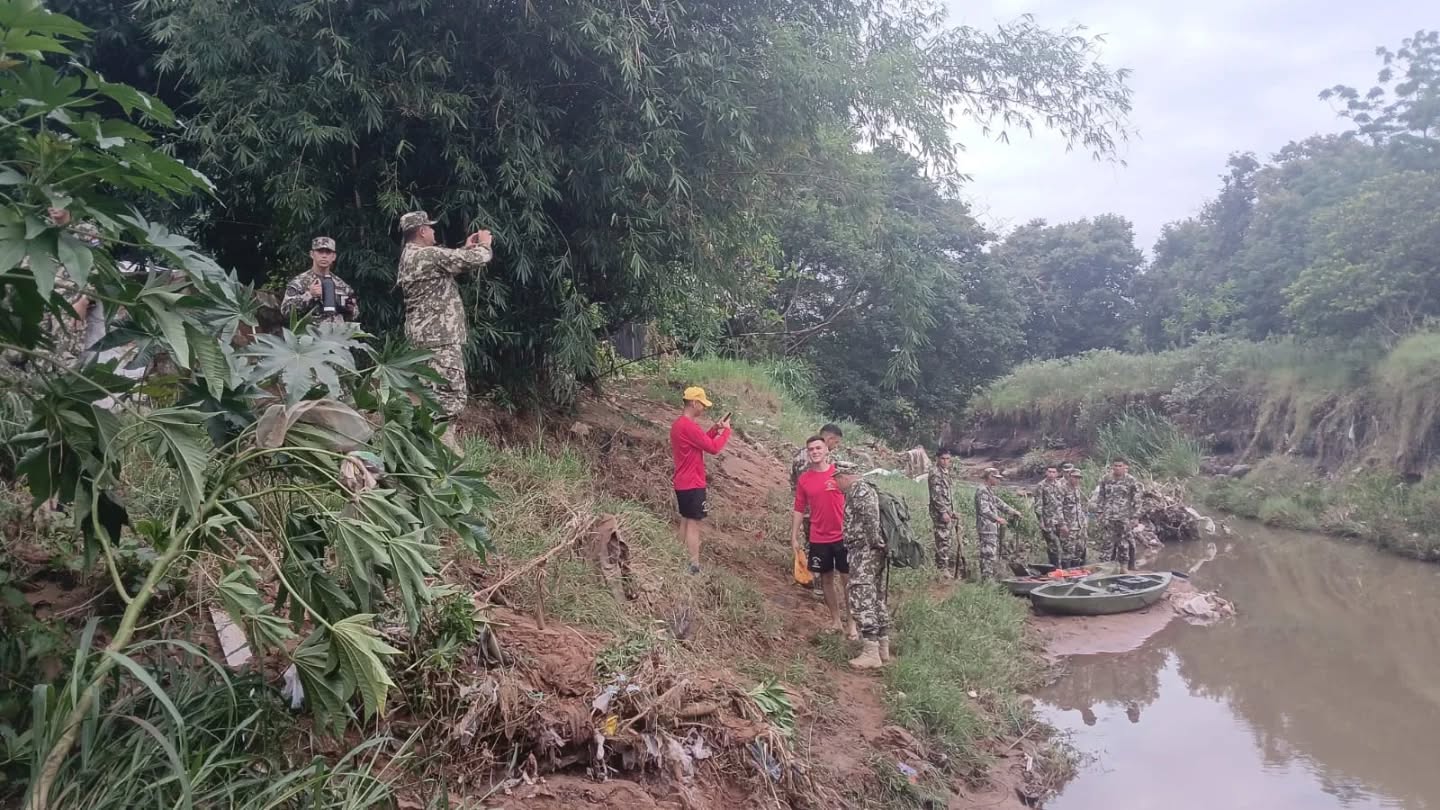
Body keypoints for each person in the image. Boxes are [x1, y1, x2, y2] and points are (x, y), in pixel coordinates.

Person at [395, 210, 494, 453]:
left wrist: (464, 247)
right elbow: (474, 260)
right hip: (439, 340)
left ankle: (421, 448)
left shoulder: (411, 256)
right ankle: (444, 450)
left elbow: (451, 259)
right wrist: (484, 245)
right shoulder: (427, 255)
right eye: (430, 228)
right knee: (450, 394)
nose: (433, 231)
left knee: (428, 393)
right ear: (421, 231)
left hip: (424, 340)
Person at [791, 436, 855, 638]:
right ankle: (836, 621)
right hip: (819, 537)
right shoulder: (804, 479)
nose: (815, 452)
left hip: (843, 536)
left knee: (848, 580)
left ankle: (852, 624)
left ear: (827, 450)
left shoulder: (839, 474)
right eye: (811, 449)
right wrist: (793, 535)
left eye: (818, 448)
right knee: (826, 580)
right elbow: (799, 508)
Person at [670, 386, 731, 574]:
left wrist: (714, 429)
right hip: (693, 483)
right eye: (702, 404)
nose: (703, 408)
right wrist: (726, 432)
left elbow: (701, 442)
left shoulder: (679, 425)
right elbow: (712, 448)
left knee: (686, 520)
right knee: (694, 524)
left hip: (682, 482)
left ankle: (676, 558)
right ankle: (693, 565)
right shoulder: (688, 426)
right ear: (694, 403)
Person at [837, 470, 890, 669]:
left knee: (861, 595)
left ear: (844, 476)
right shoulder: (863, 489)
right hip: (869, 551)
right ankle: (882, 646)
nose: (836, 483)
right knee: (876, 597)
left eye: (837, 479)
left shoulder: (860, 491)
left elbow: (870, 518)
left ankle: (871, 652)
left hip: (865, 551)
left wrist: (874, 542)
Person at [791, 424, 844, 597]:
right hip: (813, 511)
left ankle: (815, 578)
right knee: (815, 546)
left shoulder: (799, 455)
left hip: (818, 513)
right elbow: (802, 493)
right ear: (829, 441)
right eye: (835, 443)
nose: (835, 447)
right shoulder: (814, 465)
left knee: (814, 547)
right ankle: (817, 582)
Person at [281, 236, 358, 324]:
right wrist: (309, 295)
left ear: (334, 257)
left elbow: (354, 314)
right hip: (311, 335)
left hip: (337, 335)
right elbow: (285, 311)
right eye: (320, 252)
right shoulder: (299, 282)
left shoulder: (342, 285)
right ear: (312, 254)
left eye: (328, 252)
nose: (324, 256)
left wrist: (350, 309)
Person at [974, 467, 1020, 581]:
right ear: (990, 477)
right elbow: (984, 510)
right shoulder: (982, 490)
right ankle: (987, 580)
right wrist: (997, 519)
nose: (998, 481)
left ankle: (989, 577)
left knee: (991, 553)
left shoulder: (989, 490)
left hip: (991, 527)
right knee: (988, 553)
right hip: (986, 527)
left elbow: (999, 503)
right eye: (996, 478)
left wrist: (1012, 511)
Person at [1096, 459, 1142, 569]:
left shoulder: (1130, 480)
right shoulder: (1106, 479)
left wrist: (1136, 517)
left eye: (1120, 466)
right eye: (1115, 466)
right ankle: (1105, 567)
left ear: (1124, 467)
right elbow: (1101, 496)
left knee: (1124, 543)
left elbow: (1137, 499)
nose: (1117, 468)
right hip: (1109, 517)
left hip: (1123, 517)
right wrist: (1100, 512)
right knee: (1107, 542)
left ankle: (1124, 567)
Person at [928, 446, 963, 578]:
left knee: (946, 540)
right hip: (939, 513)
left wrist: (952, 511)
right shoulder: (935, 473)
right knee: (942, 539)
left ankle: (944, 567)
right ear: (937, 459)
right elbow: (936, 495)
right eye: (942, 459)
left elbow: (947, 494)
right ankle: (942, 569)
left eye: (948, 459)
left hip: (947, 511)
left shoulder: (946, 472)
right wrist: (943, 512)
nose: (945, 461)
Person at [1035, 465, 1067, 568]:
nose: (1051, 474)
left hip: (1059, 520)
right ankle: (1055, 567)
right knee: (1054, 545)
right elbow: (1038, 505)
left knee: (1062, 544)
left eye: (1054, 472)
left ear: (1057, 474)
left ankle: (1059, 566)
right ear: (1046, 473)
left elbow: (1063, 503)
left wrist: (1064, 521)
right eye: (1049, 472)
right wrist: (1041, 521)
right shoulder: (1041, 486)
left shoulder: (1060, 485)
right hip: (1048, 521)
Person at [1060, 467, 1090, 567]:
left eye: (1078, 478)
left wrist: (1084, 521)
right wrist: (1062, 524)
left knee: (1080, 550)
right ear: (1069, 477)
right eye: (1074, 477)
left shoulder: (1077, 489)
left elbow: (1079, 506)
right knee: (1068, 551)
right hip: (1068, 526)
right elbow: (1057, 508)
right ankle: (1066, 574)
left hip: (1079, 526)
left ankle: (1076, 573)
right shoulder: (1062, 489)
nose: (1076, 479)